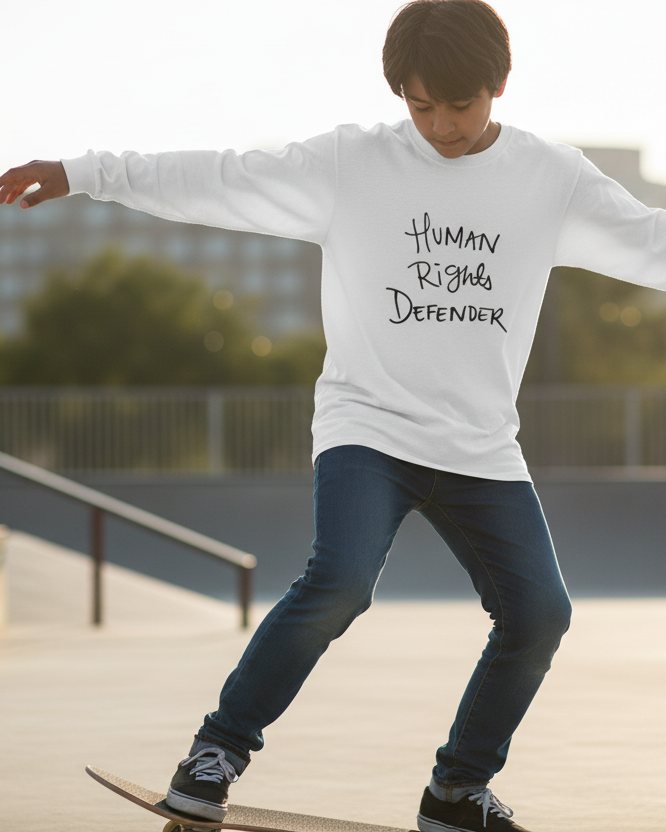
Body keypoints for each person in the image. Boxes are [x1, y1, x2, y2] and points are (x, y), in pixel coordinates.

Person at [2, 1, 666, 829]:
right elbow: (222, 176)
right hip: (369, 430)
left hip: (481, 447)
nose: (440, 127)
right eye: (421, 107)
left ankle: (456, 792)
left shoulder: (551, 178)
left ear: (499, 84)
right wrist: (83, 171)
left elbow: (651, 241)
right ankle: (216, 752)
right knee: (341, 581)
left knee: (540, 614)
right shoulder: (353, 163)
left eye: (459, 106)